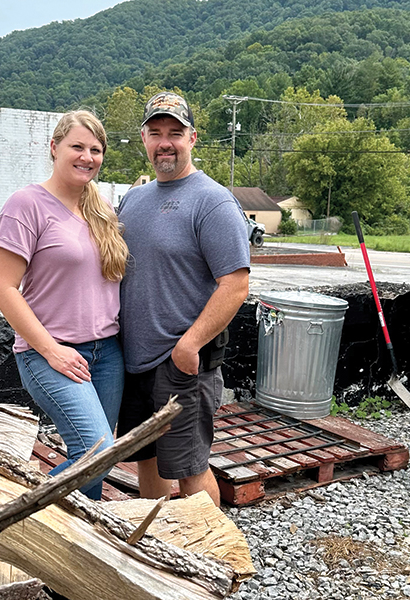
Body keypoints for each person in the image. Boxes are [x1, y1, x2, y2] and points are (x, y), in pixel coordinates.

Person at [117, 92, 250, 506]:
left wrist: (189, 345)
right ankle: (159, 545)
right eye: (155, 133)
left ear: (192, 138)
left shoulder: (212, 201)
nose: (165, 142)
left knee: (190, 469)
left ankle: (216, 559)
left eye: (175, 132)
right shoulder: (133, 200)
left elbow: (235, 284)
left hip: (181, 363)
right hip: (133, 361)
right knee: (147, 459)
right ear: (143, 139)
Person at [0, 110, 128, 501]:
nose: (87, 156)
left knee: (97, 459)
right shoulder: (26, 204)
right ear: (54, 148)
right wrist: (51, 351)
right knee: (96, 453)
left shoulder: (102, 210)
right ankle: (6, 509)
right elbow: (2, 287)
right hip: (49, 353)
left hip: (107, 352)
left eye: (96, 150)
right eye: (77, 146)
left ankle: (81, 544)